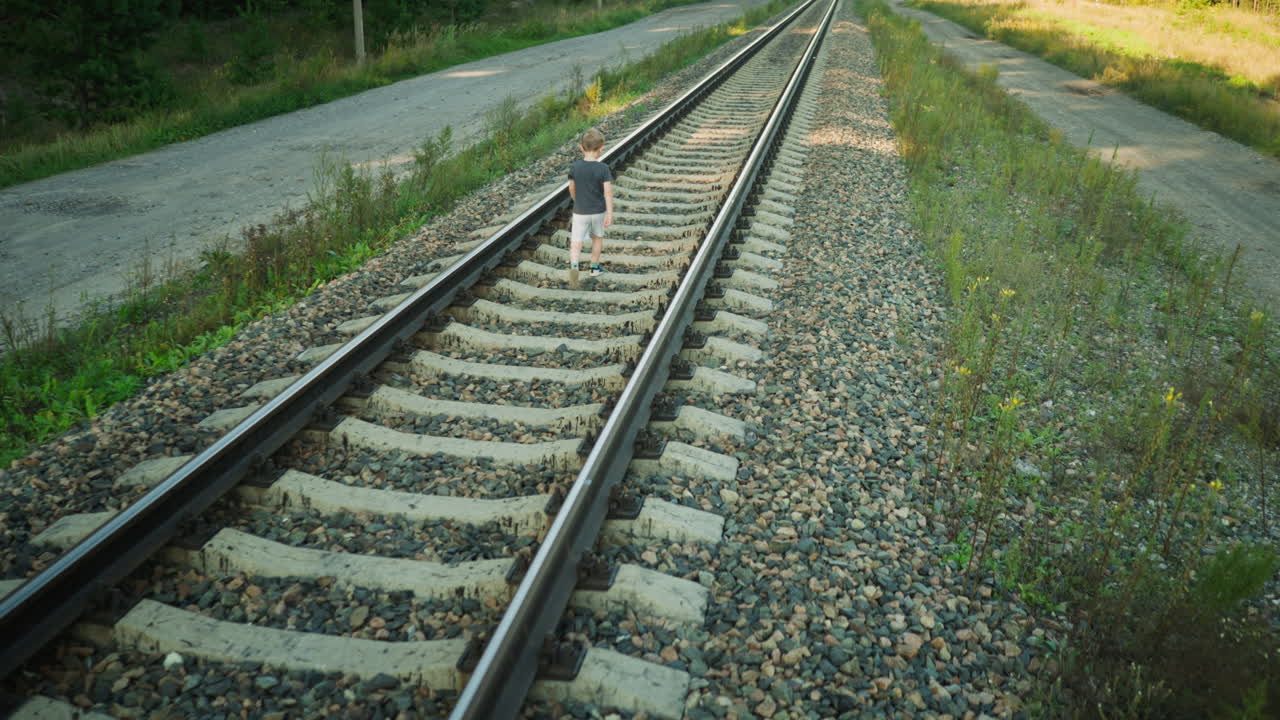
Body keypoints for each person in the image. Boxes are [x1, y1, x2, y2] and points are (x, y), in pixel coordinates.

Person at [567, 128, 613, 278]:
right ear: (601, 149)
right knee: (597, 239)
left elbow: (571, 188)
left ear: (581, 148)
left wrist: (576, 199)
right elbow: (607, 192)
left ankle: (574, 267)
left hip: (580, 211)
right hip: (598, 212)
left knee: (576, 241)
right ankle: (594, 268)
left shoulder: (575, 167)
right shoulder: (603, 168)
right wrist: (610, 213)